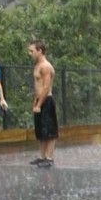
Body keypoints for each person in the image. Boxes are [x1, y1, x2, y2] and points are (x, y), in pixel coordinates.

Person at [27, 40, 58, 168]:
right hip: (40, 100)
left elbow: (46, 87)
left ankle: (49, 158)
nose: (30, 54)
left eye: (31, 51)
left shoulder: (45, 66)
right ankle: (42, 156)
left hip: (46, 101)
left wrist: (39, 104)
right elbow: (38, 87)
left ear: (40, 51)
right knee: (41, 130)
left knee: (49, 130)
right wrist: (35, 101)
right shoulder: (37, 65)